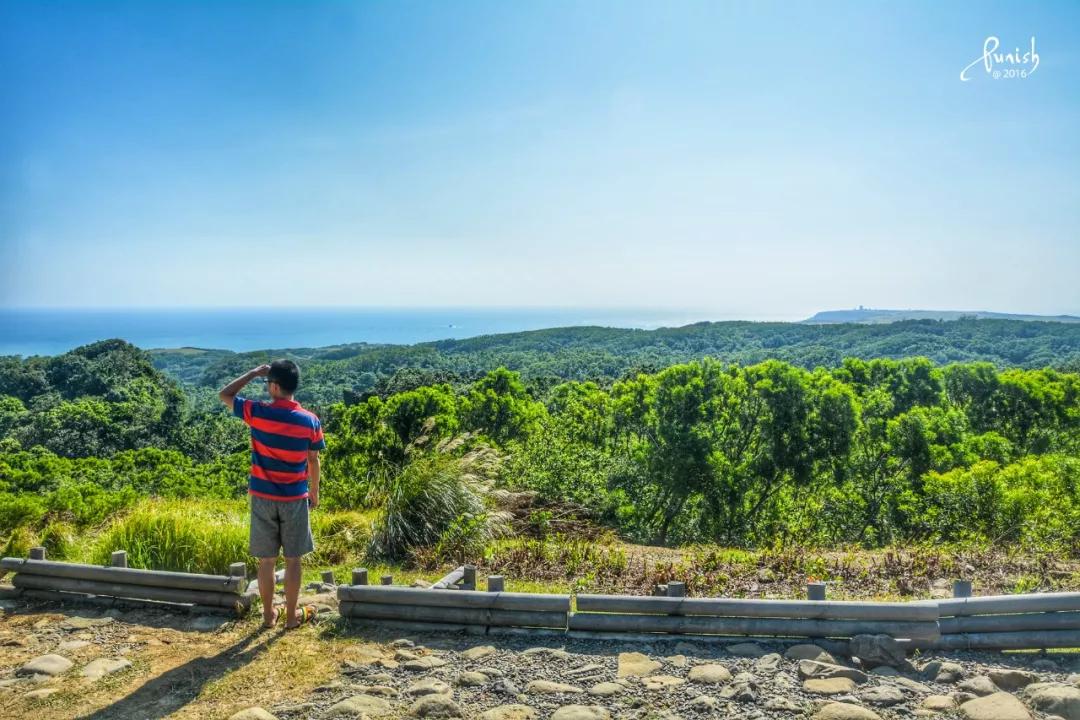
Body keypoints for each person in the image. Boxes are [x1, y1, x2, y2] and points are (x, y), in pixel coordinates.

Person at [219, 359, 325, 629]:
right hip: (295, 499)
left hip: (263, 498)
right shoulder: (310, 421)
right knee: (293, 560)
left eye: (268, 384)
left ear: (274, 386)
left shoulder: (258, 413)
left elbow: (225, 394)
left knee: (266, 561)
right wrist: (314, 491)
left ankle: (268, 616)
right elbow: (313, 460)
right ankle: (290, 618)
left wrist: (253, 372)